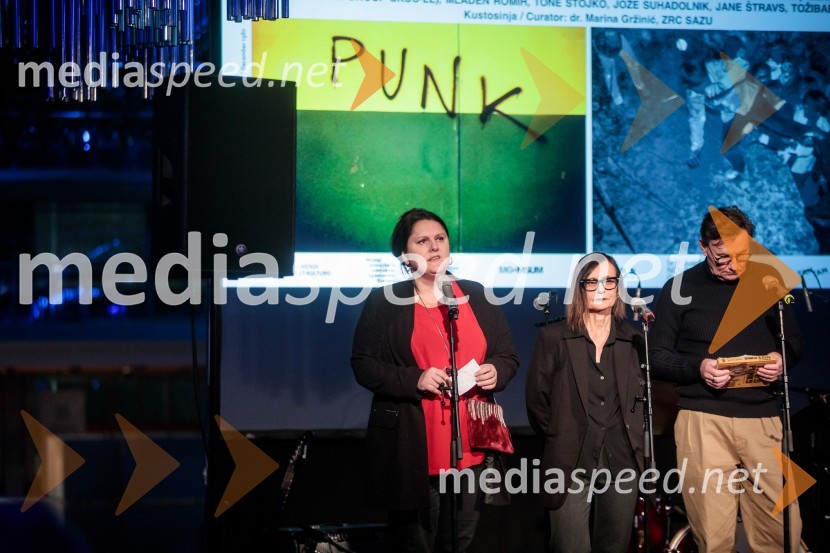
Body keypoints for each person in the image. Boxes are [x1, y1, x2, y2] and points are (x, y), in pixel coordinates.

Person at [351, 208, 519, 553]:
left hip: (471, 447)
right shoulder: (384, 301)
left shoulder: (477, 295)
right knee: (416, 545)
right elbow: (363, 365)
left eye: (440, 239)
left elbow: (508, 356)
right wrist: (416, 378)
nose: (434, 247)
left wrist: (496, 371)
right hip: (412, 446)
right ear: (404, 253)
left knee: (460, 542)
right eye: (422, 241)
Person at [650, 206, 804, 553]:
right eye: (722, 258)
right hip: (703, 421)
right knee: (714, 535)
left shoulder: (769, 282)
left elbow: (793, 343)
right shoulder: (679, 288)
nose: (733, 265)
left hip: (763, 419)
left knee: (782, 530)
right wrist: (698, 368)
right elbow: (656, 358)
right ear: (704, 247)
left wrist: (781, 360)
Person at [526, 252, 645, 553]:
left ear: (619, 287)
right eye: (592, 282)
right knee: (569, 546)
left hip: (621, 459)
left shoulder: (633, 339)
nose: (601, 289)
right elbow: (536, 401)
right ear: (579, 286)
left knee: (614, 546)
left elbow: (641, 401)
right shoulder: (555, 337)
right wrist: (560, 435)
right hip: (569, 460)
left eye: (609, 281)